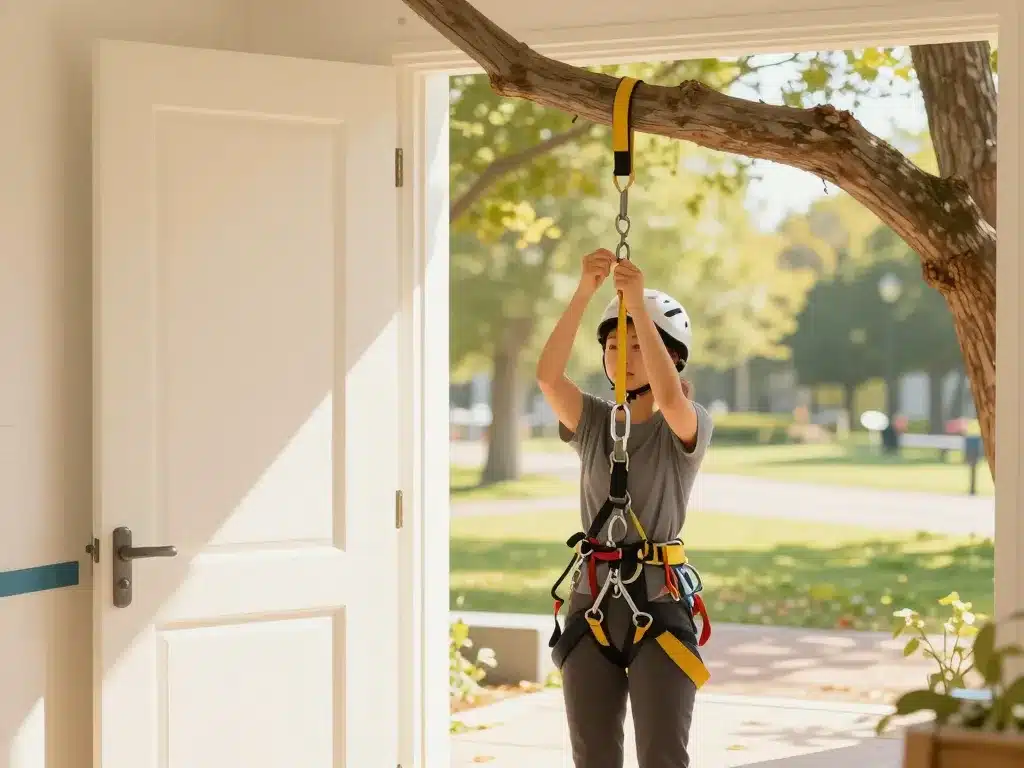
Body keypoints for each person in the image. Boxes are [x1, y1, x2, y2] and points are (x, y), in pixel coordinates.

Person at [535, 248, 714, 768]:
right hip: (592, 600)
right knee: (592, 757)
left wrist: (636, 306)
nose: (623, 352)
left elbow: (670, 400)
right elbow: (548, 377)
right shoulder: (593, 421)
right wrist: (585, 292)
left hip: (657, 602)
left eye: (639, 343)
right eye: (615, 343)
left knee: (662, 756)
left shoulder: (686, 422)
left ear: (673, 356)